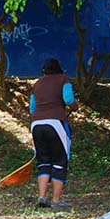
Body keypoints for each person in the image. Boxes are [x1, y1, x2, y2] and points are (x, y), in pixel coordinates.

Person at [29, 57, 75, 210]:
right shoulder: (64, 79)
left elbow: (32, 109)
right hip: (55, 123)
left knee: (43, 161)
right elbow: (68, 99)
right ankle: (56, 200)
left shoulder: (37, 84)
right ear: (59, 68)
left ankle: (42, 197)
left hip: (36, 124)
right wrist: (75, 107)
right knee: (60, 160)